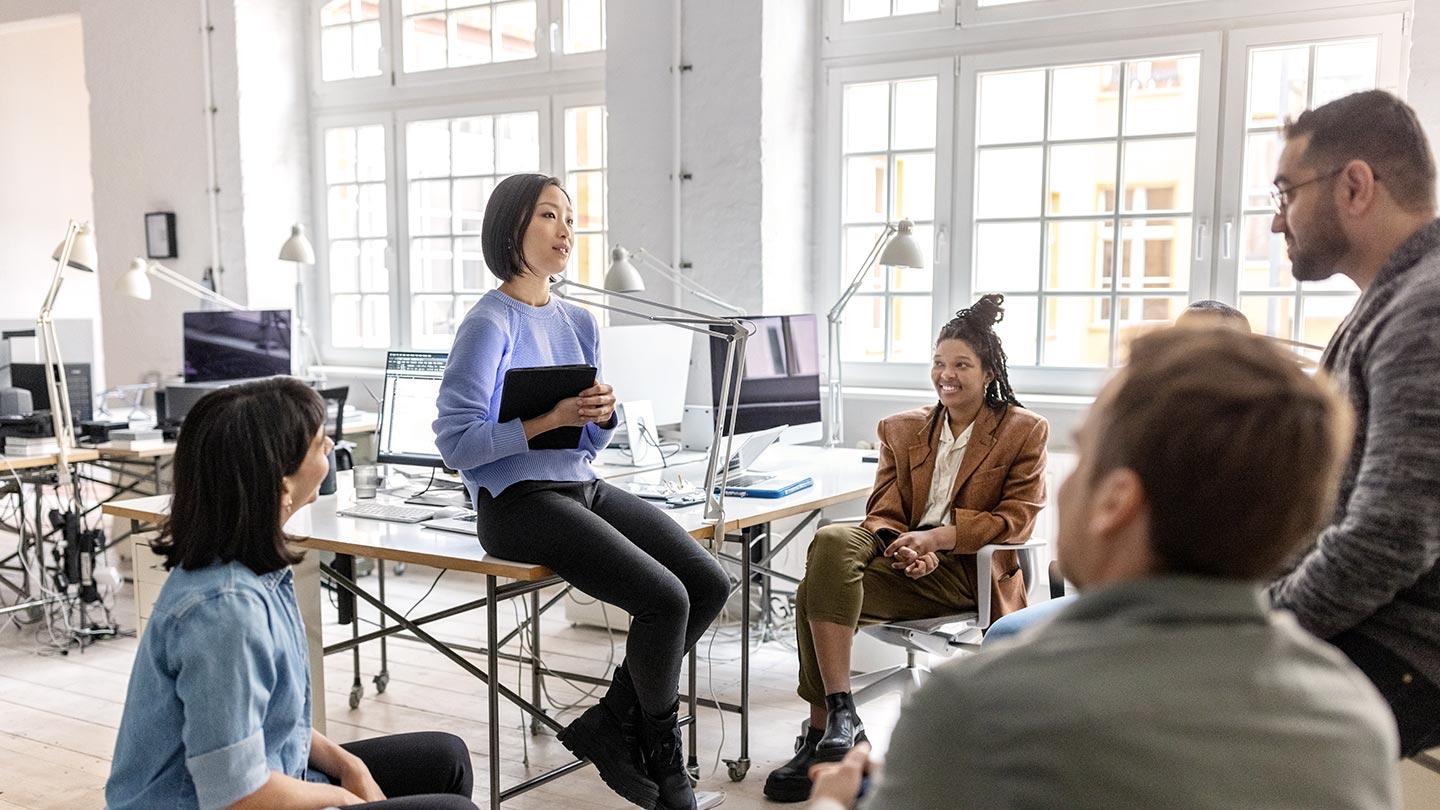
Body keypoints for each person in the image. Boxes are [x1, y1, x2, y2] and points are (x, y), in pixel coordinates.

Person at [809, 326, 1400, 810]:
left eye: (1085, 454)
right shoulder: (1354, 717)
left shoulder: (980, 705)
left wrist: (840, 803)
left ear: (1116, 501)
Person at [433, 173, 729, 810]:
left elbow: (586, 449)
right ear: (512, 229)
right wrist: (551, 419)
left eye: (570, 217)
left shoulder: (580, 321)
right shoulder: (488, 323)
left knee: (708, 584)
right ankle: (663, 761)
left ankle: (608, 725)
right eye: (548, 216)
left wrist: (599, 417)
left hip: (580, 486)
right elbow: (456, 443)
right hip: (515, 503)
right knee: (664, 600)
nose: (567, 230)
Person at [105, 378, 477, 810]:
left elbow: (275, 720)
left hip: (270, 775)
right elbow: (237, 795)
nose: (331, 446)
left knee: (446, 758)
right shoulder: (226, 611)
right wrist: (340, 797)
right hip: (228, 802)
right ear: (281, 485)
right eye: (320, 444)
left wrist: (349, 766)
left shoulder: (250, 565)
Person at [763, 294, 1048, 803]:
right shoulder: (901, 428)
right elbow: (884, 511)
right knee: (831, 540)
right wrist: (902, 547)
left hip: (968, 575)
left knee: (811, 592)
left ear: (988, 373)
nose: (947, 375)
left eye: (962, 365)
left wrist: (938, 540)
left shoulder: (1022, 431)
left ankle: (823, 732)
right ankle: (843, 717)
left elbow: (1017, 518)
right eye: (939, 363)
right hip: (905, 559)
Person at [1265, 88, 1440, 757]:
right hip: (1362, 623)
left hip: (1403, 649)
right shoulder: (1392, 302)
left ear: (1356, 186)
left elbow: (1389, 538)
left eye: (1286, 193)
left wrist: (1266, 622)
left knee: (1142, 725)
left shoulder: (1424, 312)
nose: (1278, 223)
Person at [982, 297, 1254, 644]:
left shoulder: (1250, 447)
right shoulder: (1142, 421)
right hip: (1121, 591)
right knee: (1004, 634)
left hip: (1185, 604)